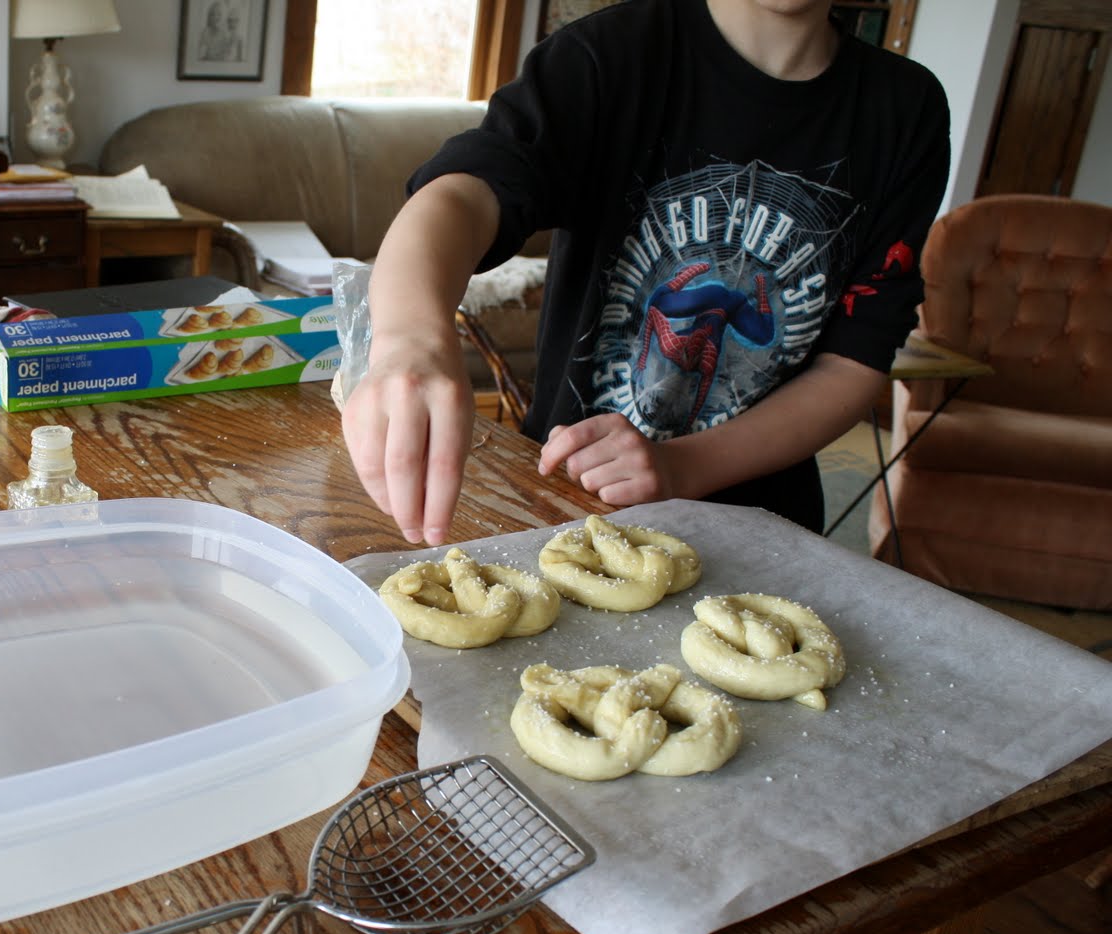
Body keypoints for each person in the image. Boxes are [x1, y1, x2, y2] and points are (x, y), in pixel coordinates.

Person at [341, 0, 951, 547]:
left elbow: (852, 365)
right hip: (567, 504)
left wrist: (680, 466)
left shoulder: (905, 109)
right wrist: (411, 338)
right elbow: (465, 195)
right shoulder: (608, 57)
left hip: (762, 533)